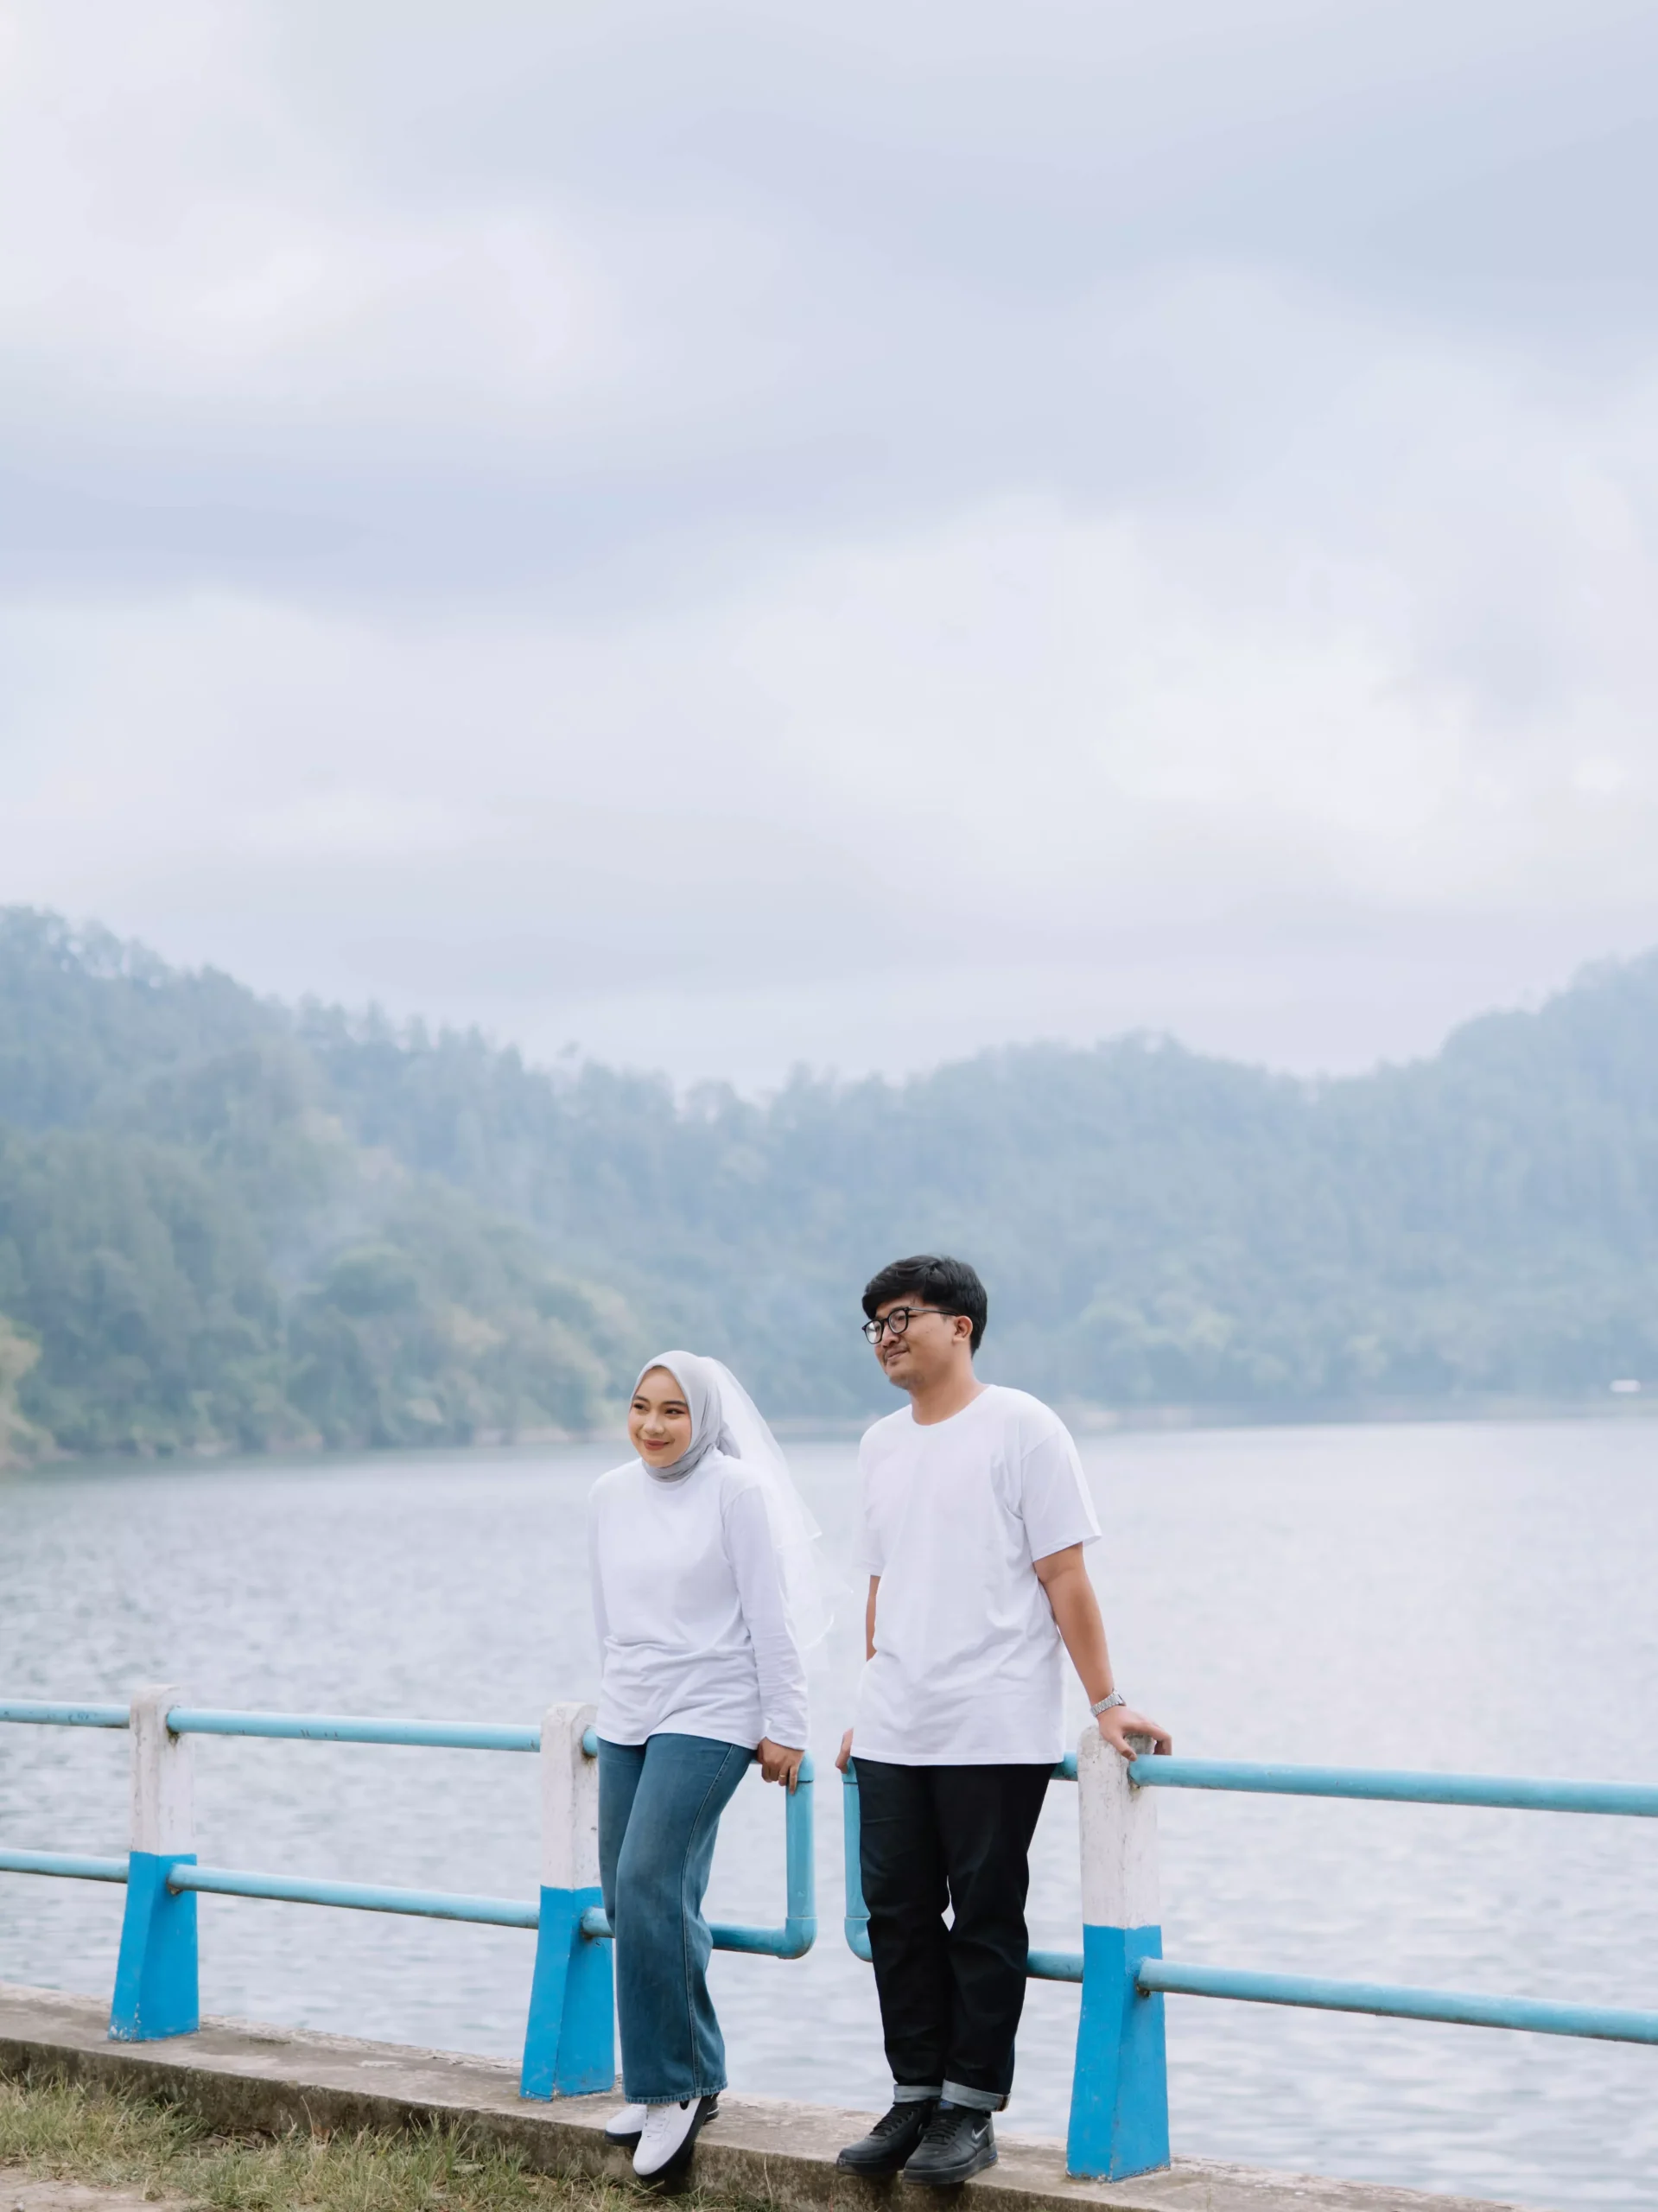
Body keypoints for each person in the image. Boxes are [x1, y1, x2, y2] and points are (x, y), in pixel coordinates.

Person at [835, 1255, 1172, 2187]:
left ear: (961, 1326)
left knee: (984, 1917)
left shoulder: (1022, 1427)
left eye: (901, 1316)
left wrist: (1106, 1702)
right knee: (896, 1915)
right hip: (894, 1724)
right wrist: (866, 1704)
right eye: (873, 1324)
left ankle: (968, 2107)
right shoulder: (877, 1445)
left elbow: (1064, 1575)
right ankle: (913, 2095)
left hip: (992, 1720)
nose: (885, 1336)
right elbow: (881, 1585)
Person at [589, 1351, 818, 2183]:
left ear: (705, 1419)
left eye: (673, 1411)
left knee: (650, 1877)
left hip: (715, 1709)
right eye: (640, 1407)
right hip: (629, 1712)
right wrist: (613, 1702)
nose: (652, 1425)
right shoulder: (609, 1494)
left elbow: (771, 1615)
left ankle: (675, 2087)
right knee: (626, 1894)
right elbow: (605, 1615)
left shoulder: (736, 1491)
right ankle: (676, 2075)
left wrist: (786, 1726)